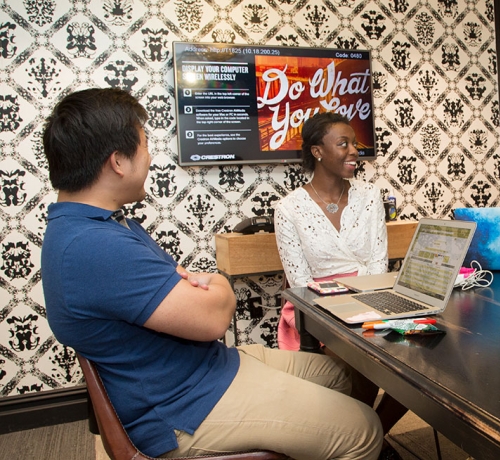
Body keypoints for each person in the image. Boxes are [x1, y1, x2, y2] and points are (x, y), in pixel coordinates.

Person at [40, 88, 383, 459]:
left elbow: (185, 287)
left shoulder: (103, 226)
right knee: (362, 429)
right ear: (118, 161)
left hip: (204, 369)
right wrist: (218, 284)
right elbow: (213, 318)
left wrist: (205, 289)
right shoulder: (94, 245)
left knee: (341, 377)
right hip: (186, 404)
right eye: (144, 145)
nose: (151, 156)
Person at [274, 112, 408, 458]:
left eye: (355, 143)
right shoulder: (289, 208)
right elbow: (300, 283)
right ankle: (364, 441)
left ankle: (368, 438)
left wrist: (370, 304)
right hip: (317, 311)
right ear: (317, 152)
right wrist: (343, 313)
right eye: (344, 144)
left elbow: (379, 262)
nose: (354, 151)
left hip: (373, 297)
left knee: (420, 362)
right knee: (363, 361)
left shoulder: (370, 195)